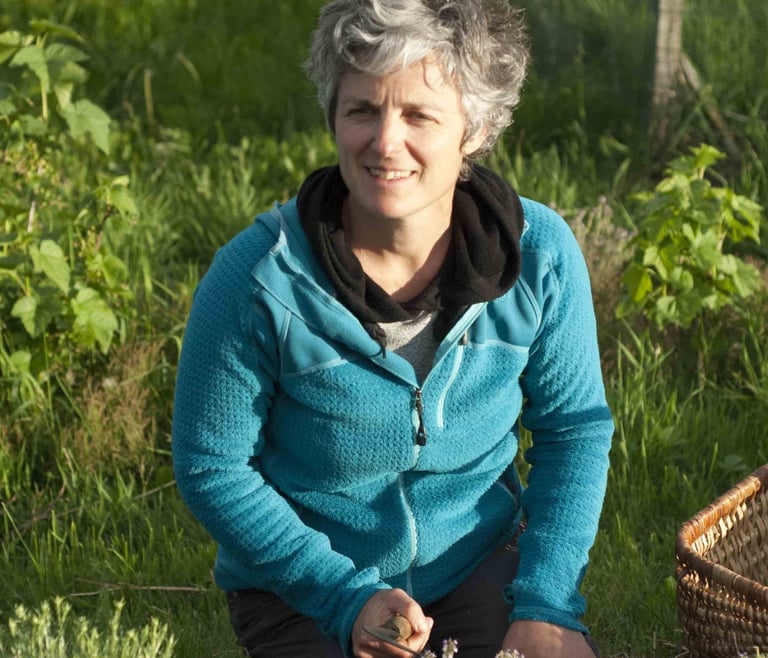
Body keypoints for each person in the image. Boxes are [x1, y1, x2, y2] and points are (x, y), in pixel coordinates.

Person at [171, 1, 614, 657]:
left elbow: (574, 430)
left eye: (418, 115)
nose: (384, 142)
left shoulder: (539, 256)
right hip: (304, 587)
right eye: (362, 110)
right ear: (332, 115)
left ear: (474, 127)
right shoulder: (257, 280)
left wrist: (547, 602)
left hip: (476, 564)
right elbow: (212, 466)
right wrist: (343, 598)